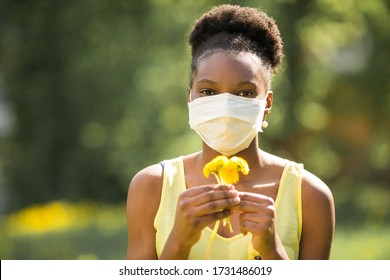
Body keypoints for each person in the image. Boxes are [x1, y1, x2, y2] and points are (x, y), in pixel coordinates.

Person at [126, 4, 335, 260]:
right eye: (208, 92)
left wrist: (272, 251)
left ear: (266, 104)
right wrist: (179, 243)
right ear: (190, 98)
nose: (225, 105)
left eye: (245, 93)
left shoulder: (310, 196)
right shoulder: (151, 187)